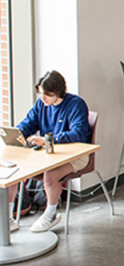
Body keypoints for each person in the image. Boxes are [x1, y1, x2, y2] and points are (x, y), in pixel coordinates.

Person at [6, 71, 91, 233]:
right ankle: (8, 217)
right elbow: (28, 124)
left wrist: (47, 140)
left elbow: (78, 134)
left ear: (58, 92)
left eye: (47, 94)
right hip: (48, 154)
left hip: (76, 155)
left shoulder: (76, 104)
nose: (43, 98)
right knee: (14, 170)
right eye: (41, 93)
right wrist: (16, 134)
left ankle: (51, 213)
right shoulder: (41, 104)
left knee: (50, 175)